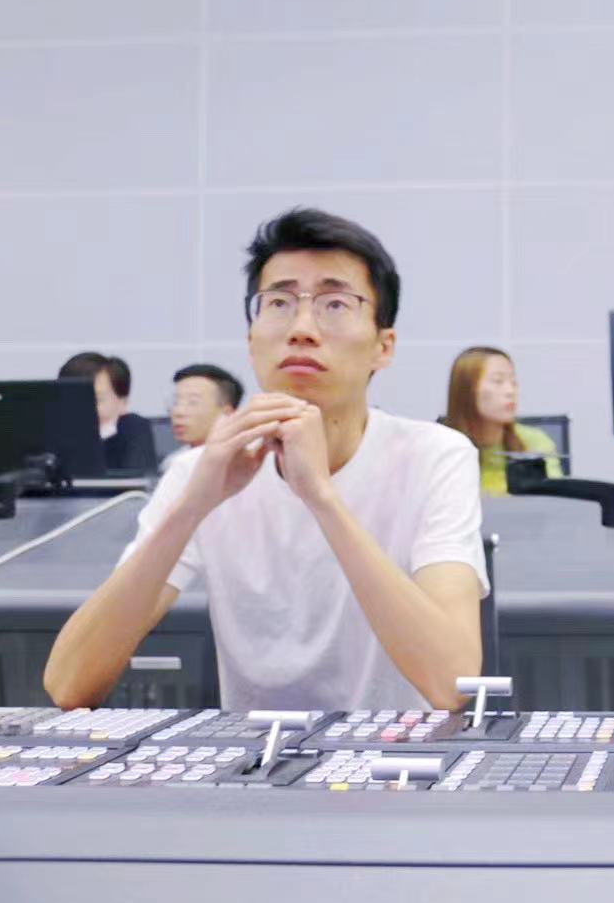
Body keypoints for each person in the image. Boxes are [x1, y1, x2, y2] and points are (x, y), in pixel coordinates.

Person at [44, 209, 488, 712]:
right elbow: (69, 683)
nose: (301, 328)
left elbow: (452, 683)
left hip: (394, 754)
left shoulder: (434, 456)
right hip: (255, 758)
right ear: (251, 341)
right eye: (278, 303)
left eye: (335, 304)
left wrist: (321, 498)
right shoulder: (200, 472)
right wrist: (192, 506)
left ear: (383, 347)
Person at [443, 346, 563, 496]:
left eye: (513, 382)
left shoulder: (534, 442)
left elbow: (553, 501)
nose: (510, 391)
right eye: (498, 381)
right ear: (466, 390)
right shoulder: (442, 449)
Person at [58, 351, 157, 474]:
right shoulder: (53, 432)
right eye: (75, 398)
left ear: (122, 401)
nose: (83, 407)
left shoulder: (134, 429)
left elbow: (135, 481)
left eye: (96, 399)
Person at [168, 363, 244, 454]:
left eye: (192, 402)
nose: (178, 412)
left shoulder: (240, 458)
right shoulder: (176, 458)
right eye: (176, 402)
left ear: (227, 414)